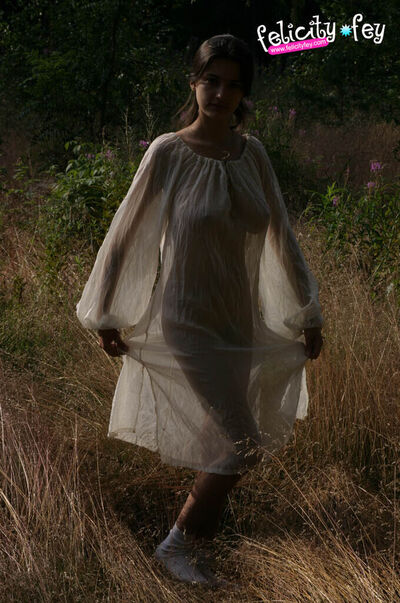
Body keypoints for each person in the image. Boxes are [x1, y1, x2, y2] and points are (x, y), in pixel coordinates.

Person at [76, 34, 323, 587]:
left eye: (234, 84)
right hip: (187, 317)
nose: (221, 93)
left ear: (244, 94)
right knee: (244, 442)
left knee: (221, 438)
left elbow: (282, 234)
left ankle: (193, 545)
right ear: (194, 82)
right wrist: (107, 313)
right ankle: (176, 545)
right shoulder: (168, 152)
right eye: (212, 80)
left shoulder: (253, 154)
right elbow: (125, 236)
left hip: (239, 316)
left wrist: (308, 311)